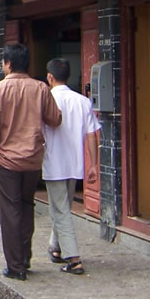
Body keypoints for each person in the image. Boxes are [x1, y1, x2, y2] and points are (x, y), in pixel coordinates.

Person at [0, 43, 62, 281]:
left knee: (10, 211)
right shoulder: (41, 88)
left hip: (6, 159)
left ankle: (16, 265)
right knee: (27, 207)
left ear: (8, 64)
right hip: (32, 159)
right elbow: (55, 119)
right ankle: (25, 258)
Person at [44, 58, 100, 275]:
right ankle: (55, 246)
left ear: (50, 77)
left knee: (60, 210)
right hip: (74, 163)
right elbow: (92, 135)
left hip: (53, 162)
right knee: (62, 207)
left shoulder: (46, 100)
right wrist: (93, 164)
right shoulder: (82, 101)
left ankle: (74, 258)